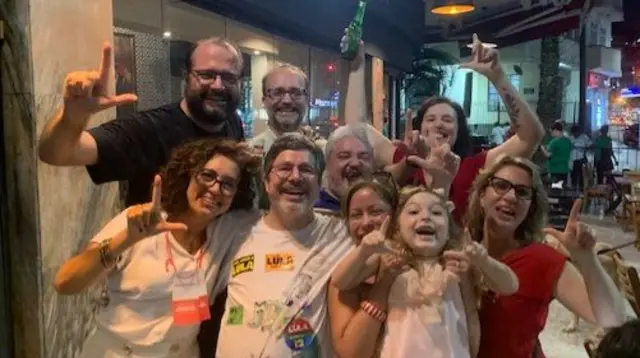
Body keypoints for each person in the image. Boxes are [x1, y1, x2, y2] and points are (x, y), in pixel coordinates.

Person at [53, 139, 259, 357]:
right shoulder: (141, 222)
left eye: (228, 183)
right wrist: (125, 239)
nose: (215, 188)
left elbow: (277, 213)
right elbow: (65, 283)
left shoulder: (225, 233)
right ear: (187, 175)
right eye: (207, 175)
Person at [37, 38, 245, 206]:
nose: (218, 86)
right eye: (206, 75)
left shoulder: (231, 122)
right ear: (186, 77)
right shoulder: (149, 129)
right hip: (154, 254)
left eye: (228, 78)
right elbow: (55, 153)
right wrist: (71, 118)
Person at [463, 155, 626, 358]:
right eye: (501, 185)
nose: (511, 197)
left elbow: (615, 320)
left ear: (530, 208)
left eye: (522, 192)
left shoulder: (541, 260)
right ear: (481, 195)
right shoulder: (459, 249)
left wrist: (587, 259)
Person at [377, 34, 544, 224]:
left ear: (458, 130)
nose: (438, 124)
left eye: (447, 120)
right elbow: (358, 133)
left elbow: (530, 136)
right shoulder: (405, 158)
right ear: (419, 128)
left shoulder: (475, 166)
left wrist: (498, 78)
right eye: (430, 119)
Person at [333, 186, 518, 358]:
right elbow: (341, 281)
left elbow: (511, 286)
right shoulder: (388, 257)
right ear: (398, 224)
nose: (425, 217)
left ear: (448, 227)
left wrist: (484, 261)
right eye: (413, 211)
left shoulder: (460, 262)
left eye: (437, 212)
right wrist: (364, 250)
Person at [215, 133, 353, 357]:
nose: (295, 177)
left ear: (320, 185)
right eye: (284, 168)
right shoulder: (233, 228)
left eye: (306, 170)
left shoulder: (341, 233)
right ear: (266, 182)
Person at [327, 179, 404, 358]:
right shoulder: (347, 274)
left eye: (376, 211)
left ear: (397, 214)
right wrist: (384, 284)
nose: (366, 222)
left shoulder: (417, 257)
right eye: (356, 215)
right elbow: (352, 353)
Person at [569, 124, 591, 190]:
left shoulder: (584, 137)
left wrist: (585, 148)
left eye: (576, 133)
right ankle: (573, 191)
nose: (575, 134)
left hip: (581, 160)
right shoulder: (570, 138)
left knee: (582, 177)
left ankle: (582, 192)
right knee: (573, 177)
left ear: (579, 132)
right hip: (573, 161)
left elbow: (591, 145)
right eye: (573, 133)